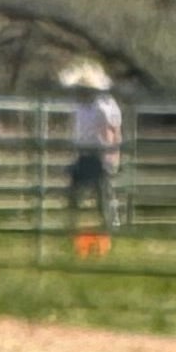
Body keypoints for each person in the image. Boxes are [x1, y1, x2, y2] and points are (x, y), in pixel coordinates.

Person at [61, 59, 123, 253]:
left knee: (102, 196)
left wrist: (112, 156)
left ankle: (109, 232)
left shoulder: (103, 107)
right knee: (73, 195)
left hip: (99, 155)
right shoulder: (80, 107)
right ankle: (73, 233)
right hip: (83, 154)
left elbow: (113, 132)